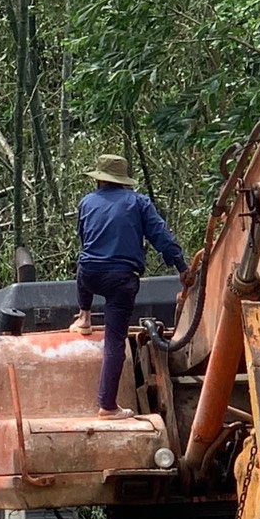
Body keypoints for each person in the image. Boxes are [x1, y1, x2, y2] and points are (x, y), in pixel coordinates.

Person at [68, 153, 187, 414]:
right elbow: (161, 237)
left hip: (89, 274)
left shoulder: (86, 203)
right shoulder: (138, 202)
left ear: (99, 180)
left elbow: (85, 238)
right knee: (114, 342)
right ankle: (107, 406)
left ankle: (84, 316)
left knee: (85, 264)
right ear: (124, 181)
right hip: (122, 278)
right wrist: (181, 266)